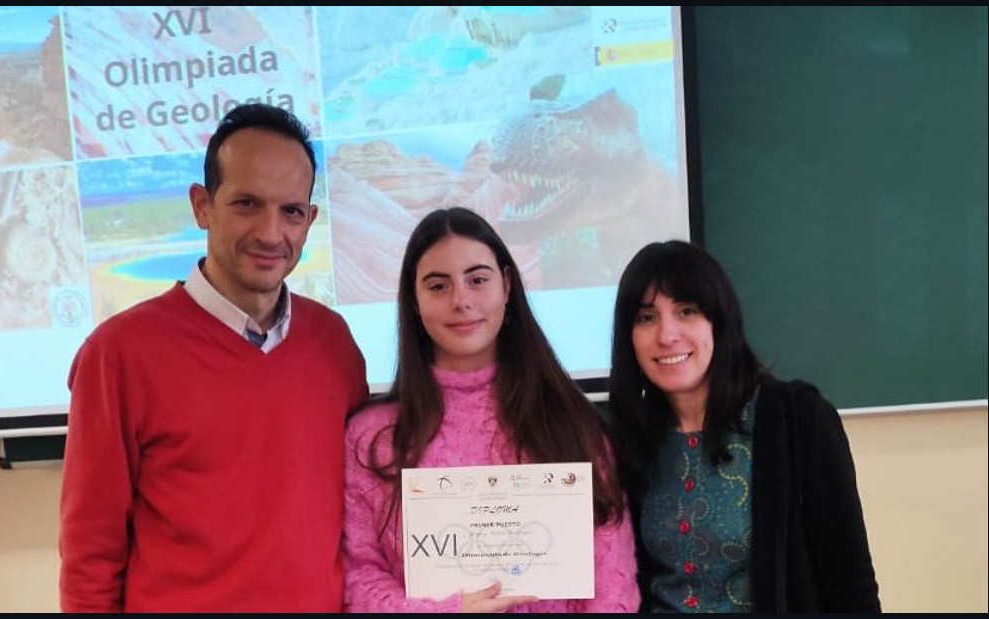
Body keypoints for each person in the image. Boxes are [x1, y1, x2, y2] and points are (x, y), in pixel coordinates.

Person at [60, 104, 368, 612]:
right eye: (247, 203)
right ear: (202, 205)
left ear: (310, 220)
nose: (271, 234)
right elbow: (90, 557)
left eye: (291, 210)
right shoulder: (118, 355)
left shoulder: (334, 343)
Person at [342, 207, 640, 613]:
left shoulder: (570, 422)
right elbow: (360, 576)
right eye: (437, 286)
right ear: (413, 301)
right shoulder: (371, 438)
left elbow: (610, 580)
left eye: (477, 280)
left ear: (506, 285)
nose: (461, 301)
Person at [608, 240, 880, 612]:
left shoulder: (797, 418)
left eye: (686, 311)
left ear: (720, 321)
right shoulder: (628, 436)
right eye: (646, 317)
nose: (666, 335)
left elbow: (850, 580)